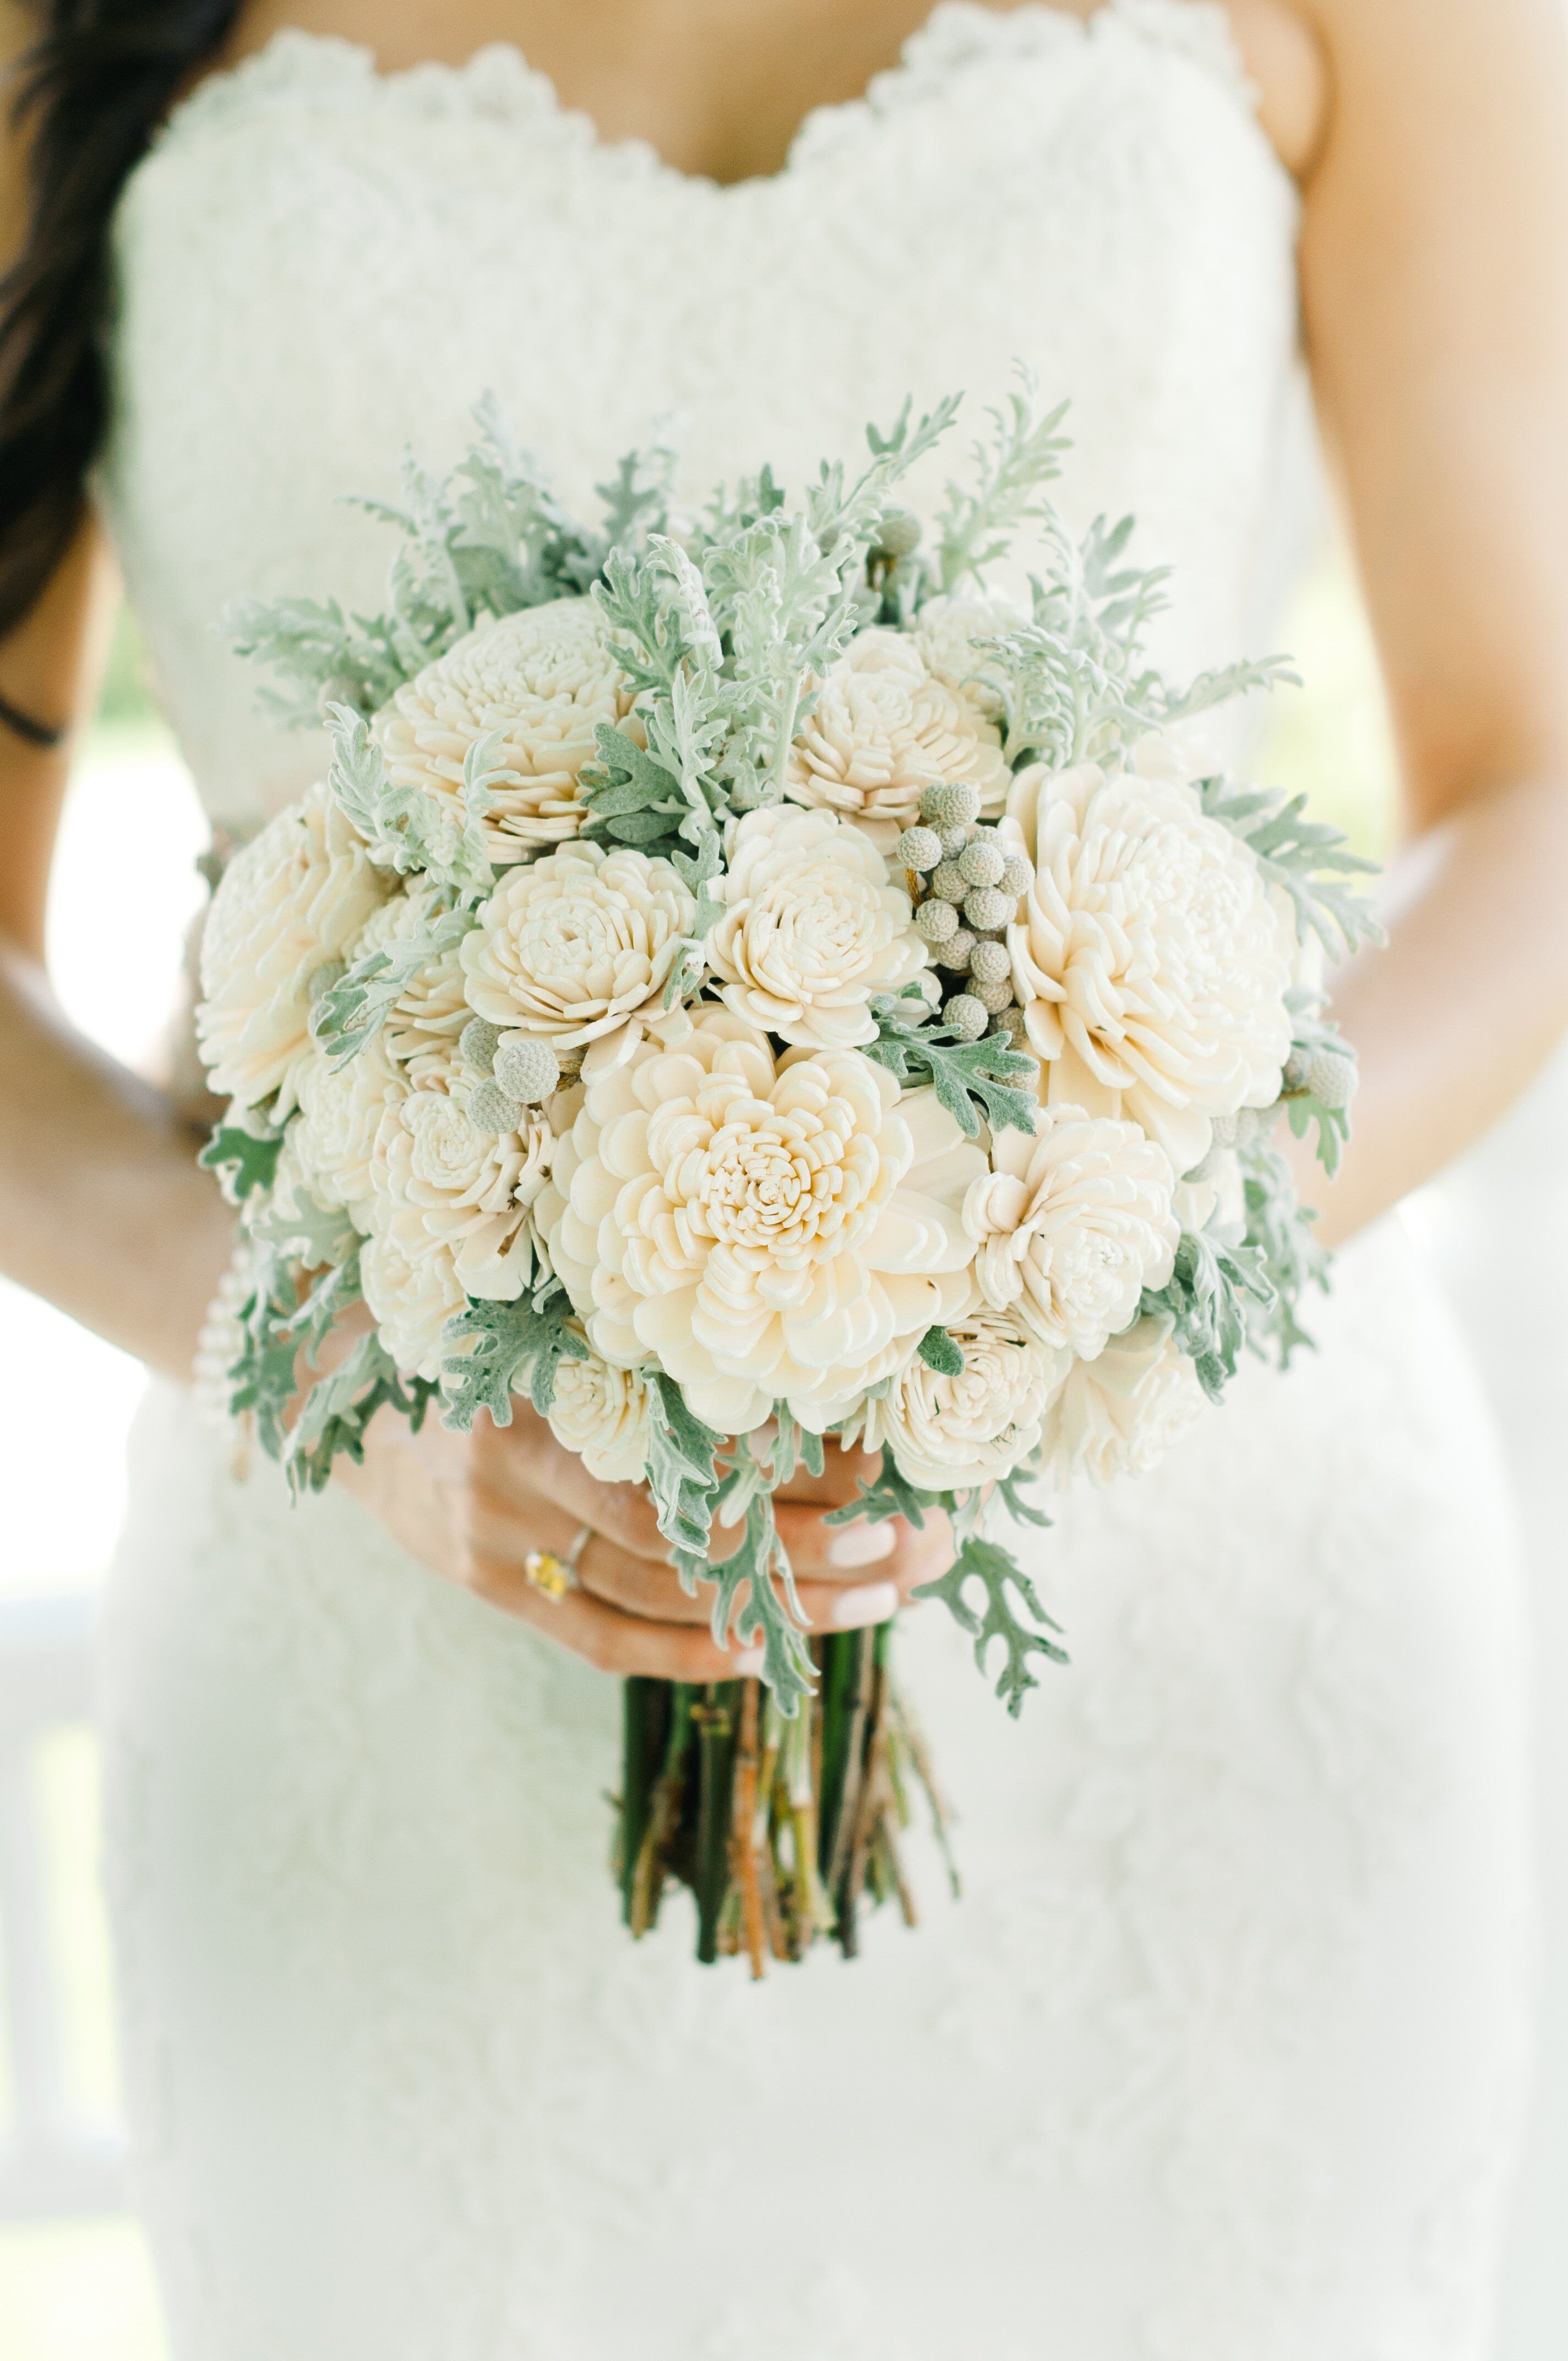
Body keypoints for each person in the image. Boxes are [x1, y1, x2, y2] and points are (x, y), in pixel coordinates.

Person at [1, 1, 1565, 2352]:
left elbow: (1532, 780)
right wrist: (340, 1358)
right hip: (392, 1628)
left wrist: (1114, 1237)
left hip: (1207, 1644)